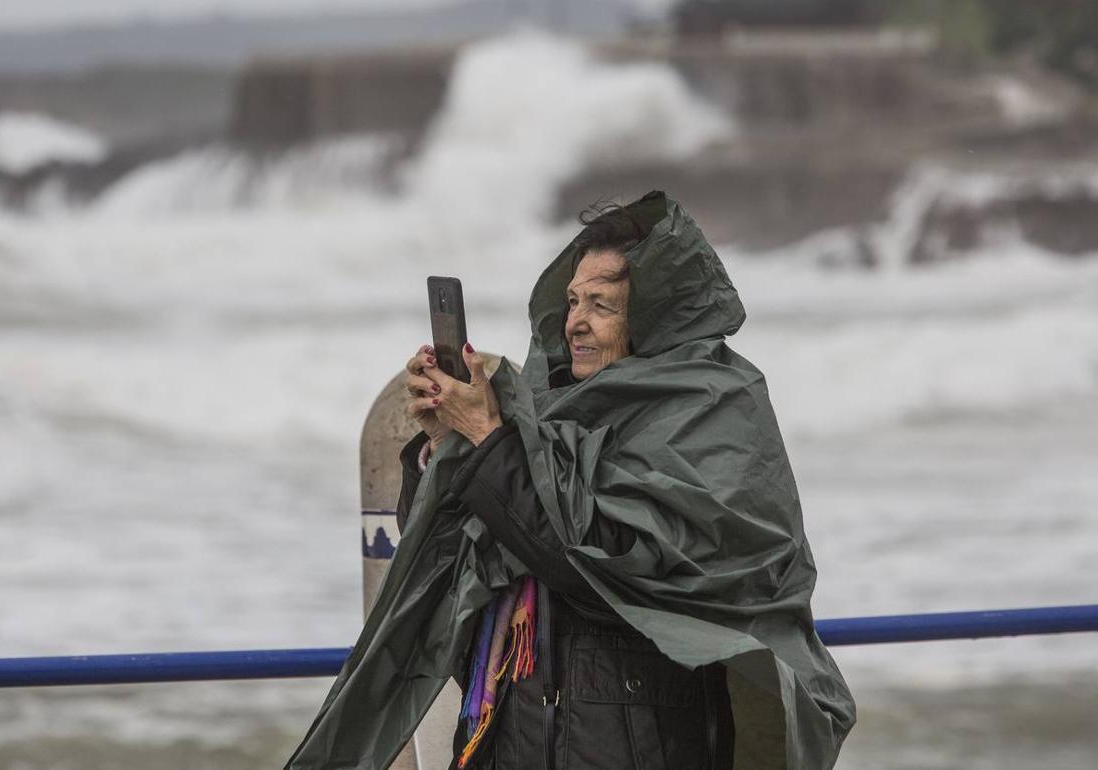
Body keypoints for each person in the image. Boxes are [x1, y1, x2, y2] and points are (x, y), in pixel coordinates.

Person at [285, 191, 855, 770]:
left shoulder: (713, 412)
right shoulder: (546, 410)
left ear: (657, 314)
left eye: (602, 305)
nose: (575, 321)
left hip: (631, 742)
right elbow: (456, 551)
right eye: (573, 300)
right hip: (510, 729)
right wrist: (442, 445)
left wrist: (487, 438)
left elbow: (599, 568)